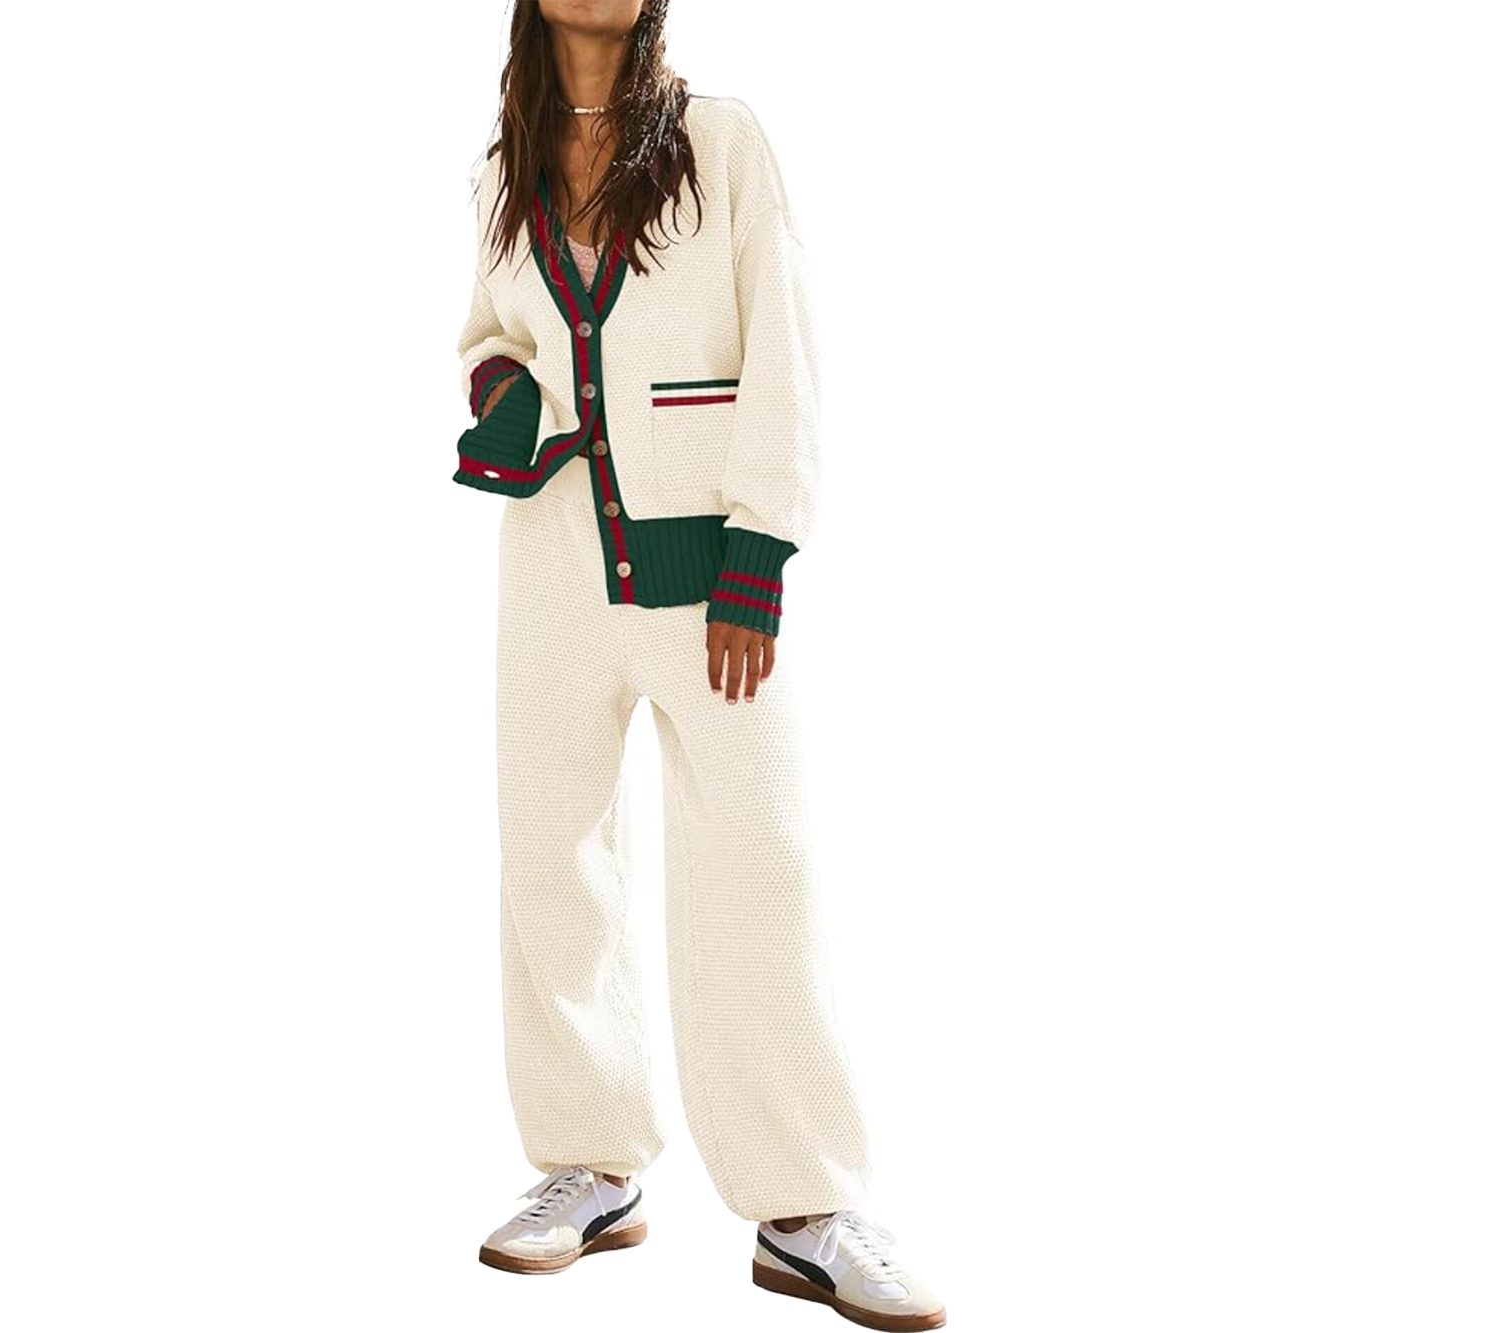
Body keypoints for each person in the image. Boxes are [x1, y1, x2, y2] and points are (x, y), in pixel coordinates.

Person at [449, 3, 946, 1327]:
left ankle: (806, 1204)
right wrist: (504, 392)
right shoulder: (505, 165)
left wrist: (758, 553)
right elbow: (489, 332)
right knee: (552, 850)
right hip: (552, 551)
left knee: (755, 863)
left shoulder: (721, 143)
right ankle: (588, 1164)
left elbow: (783, 339)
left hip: (707, 558)